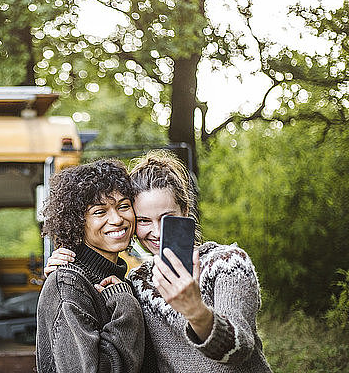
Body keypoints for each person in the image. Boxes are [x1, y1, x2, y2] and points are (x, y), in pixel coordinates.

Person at [45, 150, 272, 372]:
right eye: (144, 220)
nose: (157, 231)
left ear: (185, 211)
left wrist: (197, 312)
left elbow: (240, 349)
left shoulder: (227, 263)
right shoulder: (136, 282)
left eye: (167, 218)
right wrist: (66, 267)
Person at [36, 159, 146, 373]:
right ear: (78, 222)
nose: (116, 219)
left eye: (124, 206)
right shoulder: (69, 284)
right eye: (99, 211)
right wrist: (125, 304)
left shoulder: (122, 278)